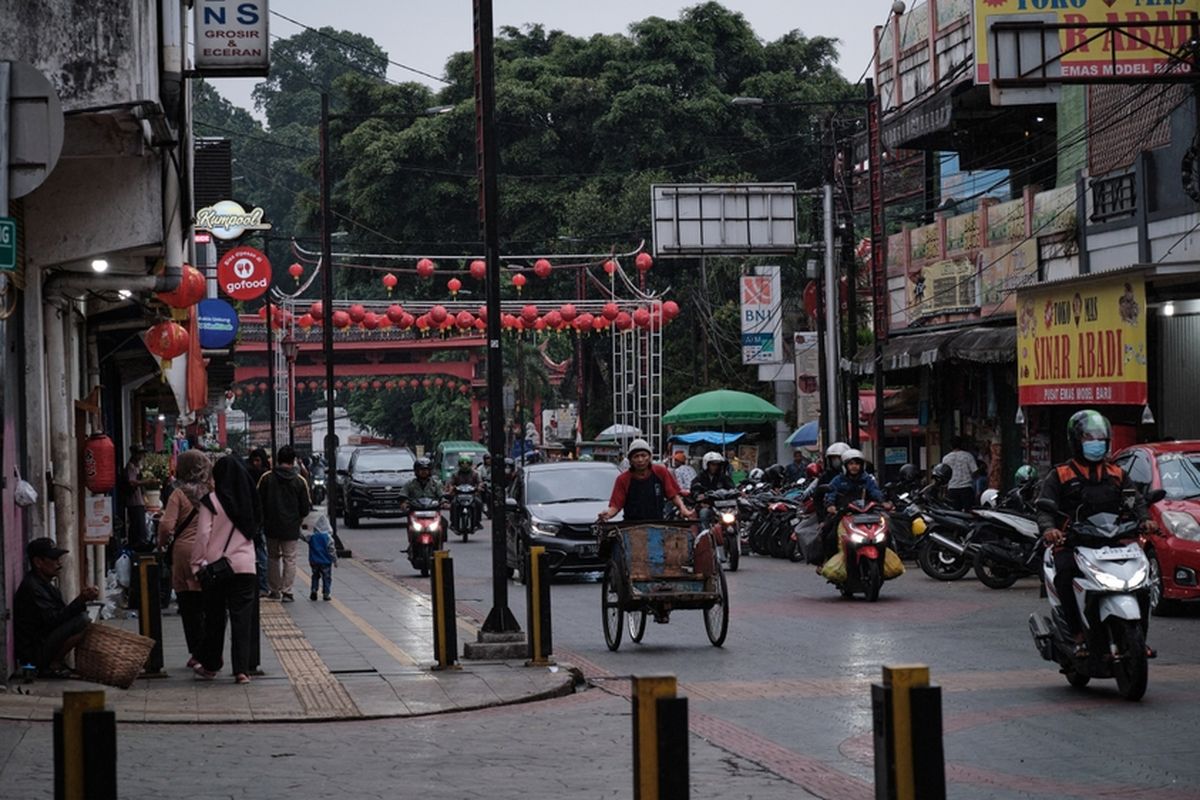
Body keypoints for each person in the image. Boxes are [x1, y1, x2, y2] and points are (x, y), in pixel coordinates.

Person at [1036, 410, 1156, 658]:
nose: (1096, 443)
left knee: (1142, 584)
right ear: (1076, 441)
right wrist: (1050, 529)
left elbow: (1136, 501)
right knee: (1065, 576)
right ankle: (1078, 636)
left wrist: (1145, 519)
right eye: (1089, 438)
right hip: (1072, 542)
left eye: (1100, 438)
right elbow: (1045, 508)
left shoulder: (1117, 474)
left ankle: (1139, 638)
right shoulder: (1059, 475)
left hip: (1113, 541)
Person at [191, 455, 261, 683]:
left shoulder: (211, 501)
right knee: (242, 620)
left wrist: (196, 563)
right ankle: (242, 671)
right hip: (245, 567)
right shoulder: (250, 499)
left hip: (216, 569)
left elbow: (202, 536)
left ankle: (211, 666)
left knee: (215, 618)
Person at [13, 538, 100, 678]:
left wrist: (82, 601)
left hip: (42, 642)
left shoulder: (45, 585)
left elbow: (61, 616)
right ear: (38, 562)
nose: (59, 563)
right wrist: (80, 600)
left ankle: (55, 663)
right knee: (82, 621)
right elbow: (54, 621)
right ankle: (52, 664)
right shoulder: (33, 588)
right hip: (34, 652)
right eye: (53, 559)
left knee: (83, 619)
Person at [157, 450, 211, 669]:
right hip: (208, 552)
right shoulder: (211, 491)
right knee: (208, 606)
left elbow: (166, 525)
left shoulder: (177, 494)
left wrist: (161, 544)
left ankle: (196, 652)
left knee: (188, 607)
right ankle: (207, 651)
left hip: (183, 555)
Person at [257, 445, 312, 603]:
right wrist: (298, 520)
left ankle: (274, 590)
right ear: (293, 460)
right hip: (291, 526)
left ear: (278, 459)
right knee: (290, 558)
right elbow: (305, 507)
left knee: (272, 557)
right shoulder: (299, 481)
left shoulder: (266, 478)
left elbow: (258, 502)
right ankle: (287, 591)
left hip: (271, 525)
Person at [598, 439, 695, 523]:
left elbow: (673, 495)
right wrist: (608, 514)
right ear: (630, 460)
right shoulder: (623, 479)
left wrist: (683, 509)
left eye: (643, 455)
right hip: (630, 526)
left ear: (649, 457)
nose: (640, 460)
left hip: (657, 524)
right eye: (636, 456)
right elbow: (616, 505)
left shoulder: (660, 472)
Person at [821, 448, 890, 560]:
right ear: (845, 466)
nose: (854, 466)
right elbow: (830, 493)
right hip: (843, 513)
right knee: (828, 532)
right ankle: (827, 560)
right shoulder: (838, 480)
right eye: (851, 464)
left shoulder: (867, 479)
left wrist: (883, 502)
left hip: (866, 513)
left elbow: (875, 491)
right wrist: (830, 505)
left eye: (857, 464)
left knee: (887, 530)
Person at [247, 448, 271, 598]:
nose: (255, 463)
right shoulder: (250, 474)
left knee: (261, 553)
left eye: (258, 460)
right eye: (253, 460)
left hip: (261, 519)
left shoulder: (266, 477)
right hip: (254, 518)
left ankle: (263, 585)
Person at [123, 444, 155, 547]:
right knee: (137, 529)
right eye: (139, 454)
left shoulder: (136, 467)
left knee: (141, 528)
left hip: (139, 501)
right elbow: (131, 482)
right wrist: (145, 482)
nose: (141, 456)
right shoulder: (130, 467)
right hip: (134, 502)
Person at [301, 514, 337, 601]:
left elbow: (303, 536)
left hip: (314, 561)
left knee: (315, 576)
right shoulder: (329, 538)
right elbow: (331, 550)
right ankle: (326, 593)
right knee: (326, 578)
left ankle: (314, 590)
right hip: (326, 562)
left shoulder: (312, 537)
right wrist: (335, 560)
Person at [941, 436, 980, 511]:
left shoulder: (946, 458)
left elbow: (944, 474)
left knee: (954, 513)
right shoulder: (968, 456)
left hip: (952, 488)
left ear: (950, 446)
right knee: (969, 512)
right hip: (966, 488)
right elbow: (975, 471)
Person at [449, 454, 484, 529]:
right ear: (459, 464)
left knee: (479, 503)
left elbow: (480, 482)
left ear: (470, 464)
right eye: (463, 464)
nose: (465, 466)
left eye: (467, 464)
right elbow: (451, 484)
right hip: (459, 495)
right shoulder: (455, 474)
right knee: (453, 504)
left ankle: (477, 522)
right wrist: (452, 488)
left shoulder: (475, 474)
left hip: (472, 494)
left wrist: (479, 487)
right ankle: (453, 523)